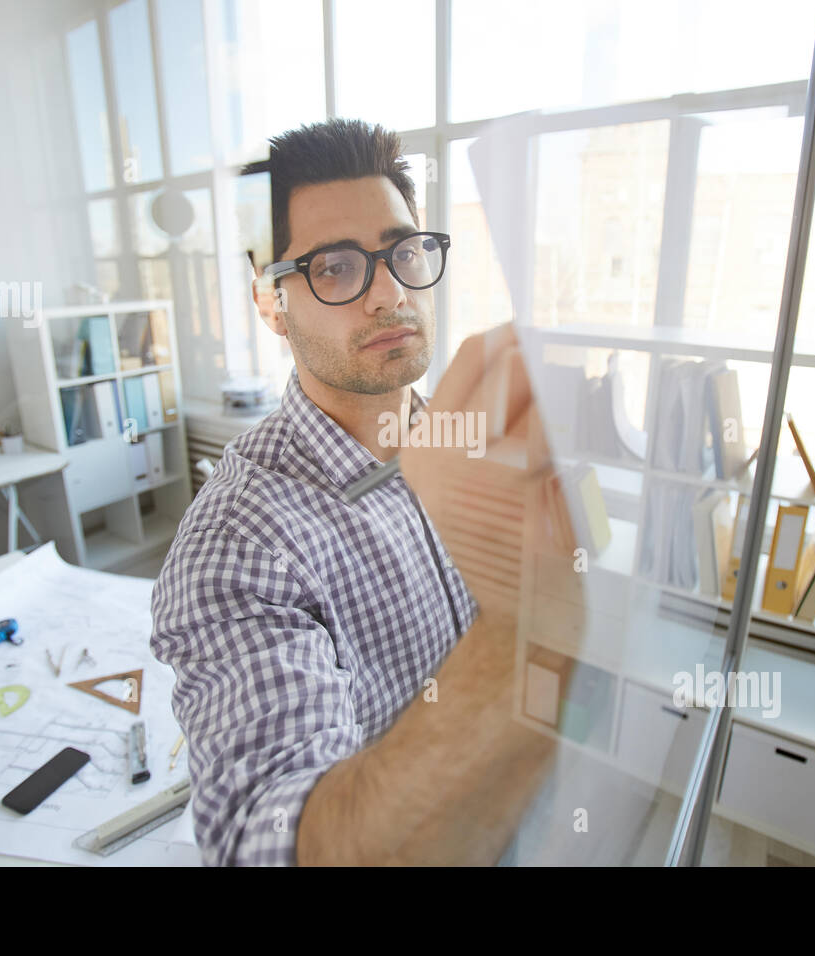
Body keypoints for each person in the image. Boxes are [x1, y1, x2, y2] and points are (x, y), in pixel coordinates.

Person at [149, 117, 581, 865]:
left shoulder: (475, 441)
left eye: (402, 251)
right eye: (336, 268)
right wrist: (531, 618)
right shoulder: (237, 547)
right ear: (269, 302)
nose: (388, 292)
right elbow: (272, 846)